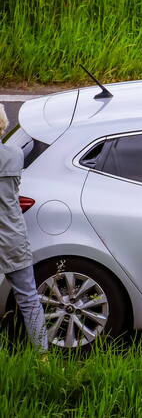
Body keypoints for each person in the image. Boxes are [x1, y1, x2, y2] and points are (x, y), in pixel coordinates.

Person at [0, 106, 49, 352]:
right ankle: (42, 355)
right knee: (29, 298)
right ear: (4, 125)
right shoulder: (15, 154)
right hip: (12, 236)